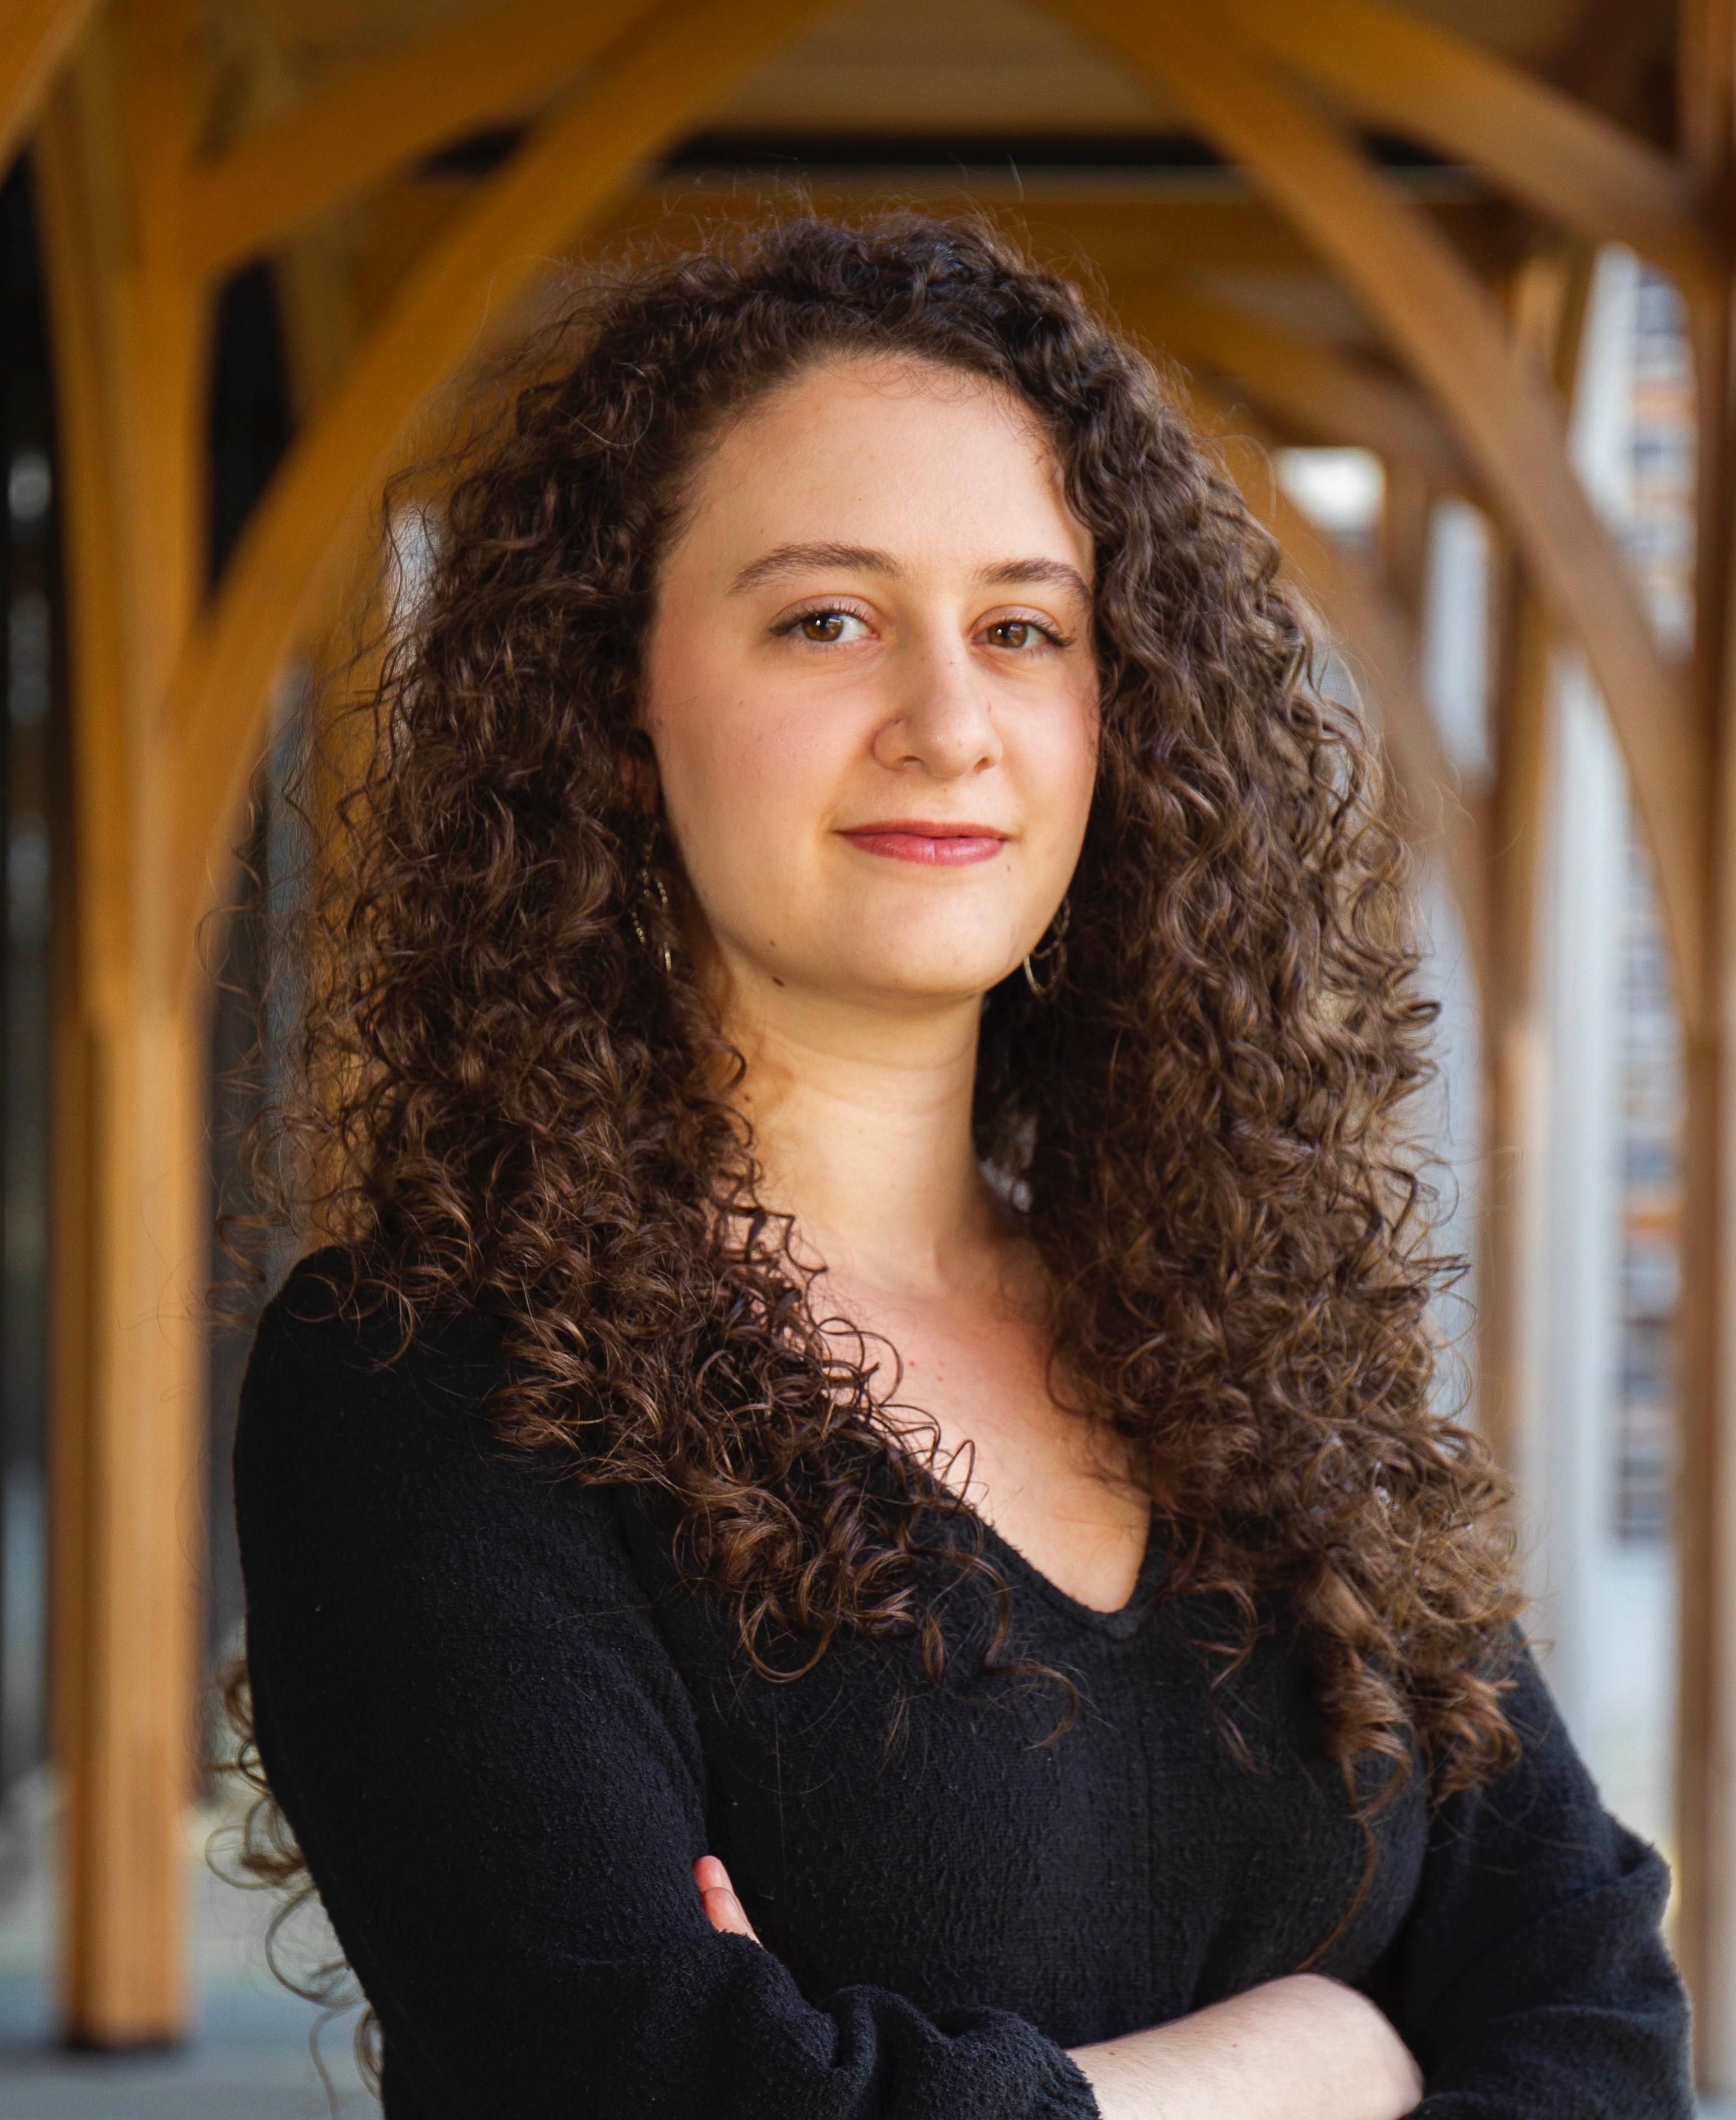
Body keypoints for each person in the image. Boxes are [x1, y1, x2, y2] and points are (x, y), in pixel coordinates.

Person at [232, 213, 1692, 2120]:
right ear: (616, 710)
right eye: (826, 619)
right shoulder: (426, 1383)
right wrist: (1310, 2059)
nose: (948, 725)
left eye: (1024, 629)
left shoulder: (1246, 1345)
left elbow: (1599, 2008)